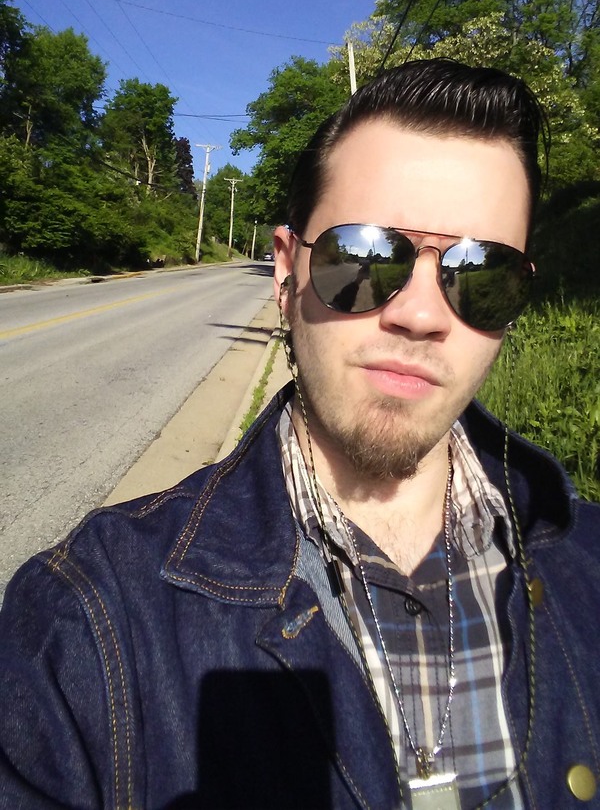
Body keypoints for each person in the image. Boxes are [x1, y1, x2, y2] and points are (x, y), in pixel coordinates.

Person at [1, 59, 599, 810]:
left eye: (482, 274)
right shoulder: (90, 619)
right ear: (285, 274)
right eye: (365, 256)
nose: (420, 314)